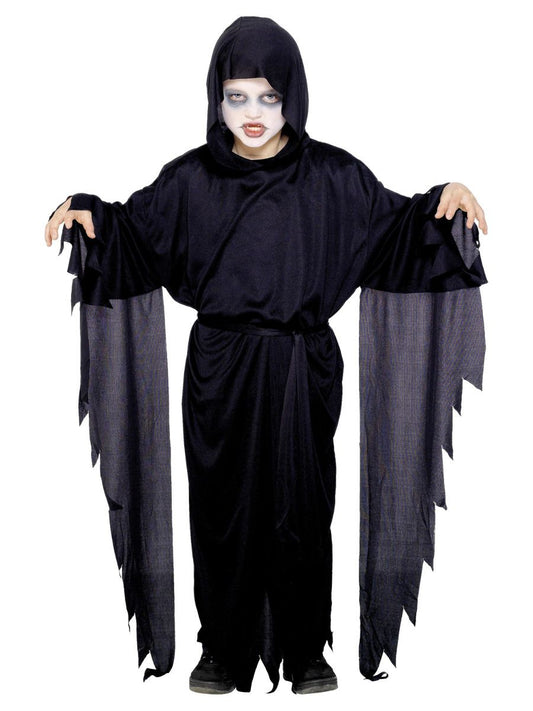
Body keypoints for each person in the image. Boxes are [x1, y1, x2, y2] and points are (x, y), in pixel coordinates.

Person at [45, 16, 488, 695]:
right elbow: (130, 232)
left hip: (302, 364)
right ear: (216, 98)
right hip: (218, 368)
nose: (251, 113)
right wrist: (83, 208)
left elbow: (401, 229)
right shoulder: (189, 181)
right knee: (220, 509)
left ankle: (306, 649)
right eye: (236, 96)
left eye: (268, 97)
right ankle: (221, 649)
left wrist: (445, 199)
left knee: (303, 508)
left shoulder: (334, 178)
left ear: (292, 96)